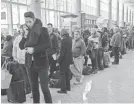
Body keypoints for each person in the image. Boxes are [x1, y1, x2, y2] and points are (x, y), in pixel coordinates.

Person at [19, 11, 52, 103]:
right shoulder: (27, 32)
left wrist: (34, 49)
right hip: (30, 64)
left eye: (29, 21)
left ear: (34, 20)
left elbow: (48, 45)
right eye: (26, 22)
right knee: (34, 89)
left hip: (41, 63)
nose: (28, 24)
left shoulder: (43, 30)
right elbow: (21, 46)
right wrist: (25, 35)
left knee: (45, 88)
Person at [12, 25, 31, 94]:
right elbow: (14, 48)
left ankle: (29, 88)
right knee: (23, 75)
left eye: (23, 29)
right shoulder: (17, 38)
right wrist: (14, 57)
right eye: (20, 29)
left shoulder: (28, 38)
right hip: (19, 60)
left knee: (28, 75)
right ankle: (26, 88)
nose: (21, 31)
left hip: (26, 60)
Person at [57, 29, 73, 94]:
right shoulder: (70, 39)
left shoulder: (63, 40)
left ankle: (63, 89)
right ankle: (68, 87)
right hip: (68, 59)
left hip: (63, 60)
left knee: (62, 74)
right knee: (67, 73)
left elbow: (62, 53)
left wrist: (58, 61)